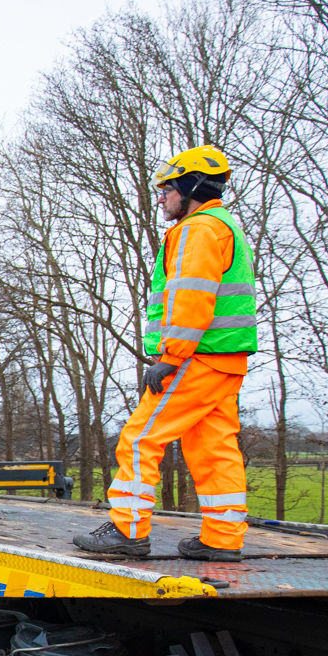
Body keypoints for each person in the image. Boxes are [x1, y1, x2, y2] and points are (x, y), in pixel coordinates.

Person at [76, 144, 257, 562]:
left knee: (140, 438)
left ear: (191, 187)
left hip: (195, 358)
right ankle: (222, 538)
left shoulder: (198, 228)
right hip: (225, 359)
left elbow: (191, 296)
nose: (161, 199)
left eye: (166, 190)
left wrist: (171, 356)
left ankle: (127, 530)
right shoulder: (225, 226)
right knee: (214, 448)